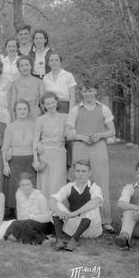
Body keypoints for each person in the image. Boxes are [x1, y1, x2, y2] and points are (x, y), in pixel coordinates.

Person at [66, 80, 116, 233]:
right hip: (80, 147)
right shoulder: (75, 110)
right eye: (85, 91)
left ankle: (105, 220)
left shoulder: (103, 108)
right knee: (79, 181)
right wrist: (81, 137)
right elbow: (68, 133)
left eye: (91, 90)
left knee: (101, 181)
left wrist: (100, 135)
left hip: (98, 147)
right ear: (81, 92)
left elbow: (112, 132)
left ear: (96, 91)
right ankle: (77, 216)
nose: (88, 94)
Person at [49, 159, 103, 251]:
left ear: (89, 173)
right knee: (55, 206)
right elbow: (51, 199)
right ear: (74, 172)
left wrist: (74, 213)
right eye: (78, 171)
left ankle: (74, 240)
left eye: (84, 171)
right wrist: (59, 212)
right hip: (74, 227)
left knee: (91, 207)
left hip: (91, 229)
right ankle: (59, 240)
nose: (80, 174)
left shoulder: (94, 187)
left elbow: (97, 201)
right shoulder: (69, 187)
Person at [2, 100, 36, 219]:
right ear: (15, 111)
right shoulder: (10, 127)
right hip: (15, 161)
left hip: (30, 160)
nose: (22, 111)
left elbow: (38, 142)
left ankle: (31, 214)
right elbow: (5, 148)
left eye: (25, 109)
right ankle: (17, 215)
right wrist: (5, 165)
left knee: (30, 186)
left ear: (28, 111)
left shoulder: (34, 125)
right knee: (16, 187)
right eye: (19, 109)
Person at [34, 92, 68, 198]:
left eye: (53, 102)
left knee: (58, 181)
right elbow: (35, 140)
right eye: (48, 104)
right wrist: (35, 159)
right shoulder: (40, 120)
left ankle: (58, 208)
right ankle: (45, 209)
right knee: (45, 182)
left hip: (59, 153)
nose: (51, 106)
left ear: (57, 102)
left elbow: (69, 134)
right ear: (43, 105)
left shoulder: (65, 117)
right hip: (45, 154)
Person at [3, 173, 53, 244]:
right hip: (26, 223)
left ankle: (39, 239)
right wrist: (21, 222)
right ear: (19, 186)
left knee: (24, 225)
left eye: (28, 184)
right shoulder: (19, 194)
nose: (25, 187)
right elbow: (19, 212)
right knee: (18, 224)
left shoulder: (40, 197)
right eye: (22, 185)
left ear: (32, 185)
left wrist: (31, 217)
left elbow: (47, 218)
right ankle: (35, 238)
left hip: (42, 224)